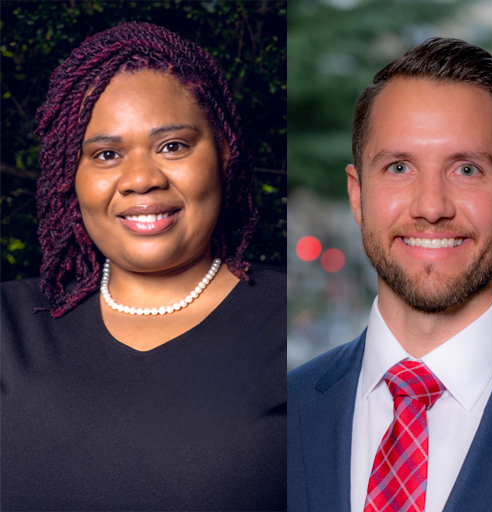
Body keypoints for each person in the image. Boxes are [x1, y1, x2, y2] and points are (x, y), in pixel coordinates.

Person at [0, 22, 288, 511]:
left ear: (224, 153)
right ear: (71, 176)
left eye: (172, 146)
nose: (140, 180)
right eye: (107, 154)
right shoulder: (11, 326)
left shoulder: (293, 325)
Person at [287, 37, 492, 511]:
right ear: (357, 195)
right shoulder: (283, 413)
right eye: (399, 167)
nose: (431, 207)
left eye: (465, 169)